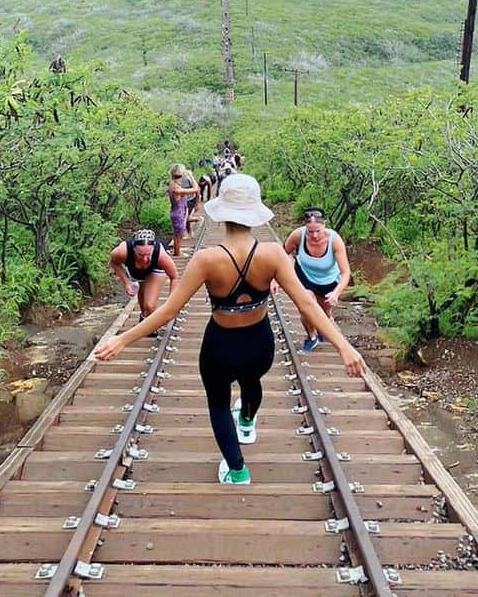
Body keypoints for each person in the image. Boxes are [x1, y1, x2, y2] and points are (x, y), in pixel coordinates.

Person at [95, 173, 364, 485]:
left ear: (221, 213)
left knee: (219, 404)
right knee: (252, 382)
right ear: (254, 213)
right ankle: (247, 421)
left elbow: (170, 309)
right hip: (259, 343)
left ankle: (238, 471)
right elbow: (306, 304)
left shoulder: (207, 259)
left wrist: (123, 340)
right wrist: (344, 346)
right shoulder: (274, 253)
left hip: (219, 346)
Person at [282, 208, 352, 353]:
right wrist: (276, 279)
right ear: (305, 228)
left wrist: (336, 293)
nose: (314, 235)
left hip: (328, 281)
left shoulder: (335, 240)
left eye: (318, 231)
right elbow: (282, 255)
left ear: (324, 225)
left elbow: (346, 273)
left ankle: (322, 330)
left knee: (324, 313)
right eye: (310, 231)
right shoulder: (297, 235)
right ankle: (312, 337)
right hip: (305, 277)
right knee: (307, 308)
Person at [107, 229, 179, 322]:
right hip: (135, 271)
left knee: (149, 305)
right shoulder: (122, 252)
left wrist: (171, 302)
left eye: (148, 254)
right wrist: (126, 282)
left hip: (155, 268)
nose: (145, 259)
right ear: (134, 249)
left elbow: (174, 277)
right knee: (143, 297)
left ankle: (152, 325)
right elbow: (113, 263)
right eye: (140, 255)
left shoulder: (161, 256)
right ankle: (144, 317)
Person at [167, 163, 199, 257]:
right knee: (178, 236)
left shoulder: (173, 184)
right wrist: (191, 176)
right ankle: (177, 253)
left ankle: (178, 250)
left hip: (178, 212)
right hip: (178, 214)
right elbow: (196, 189)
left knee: (178, 236)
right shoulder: (177, 189)